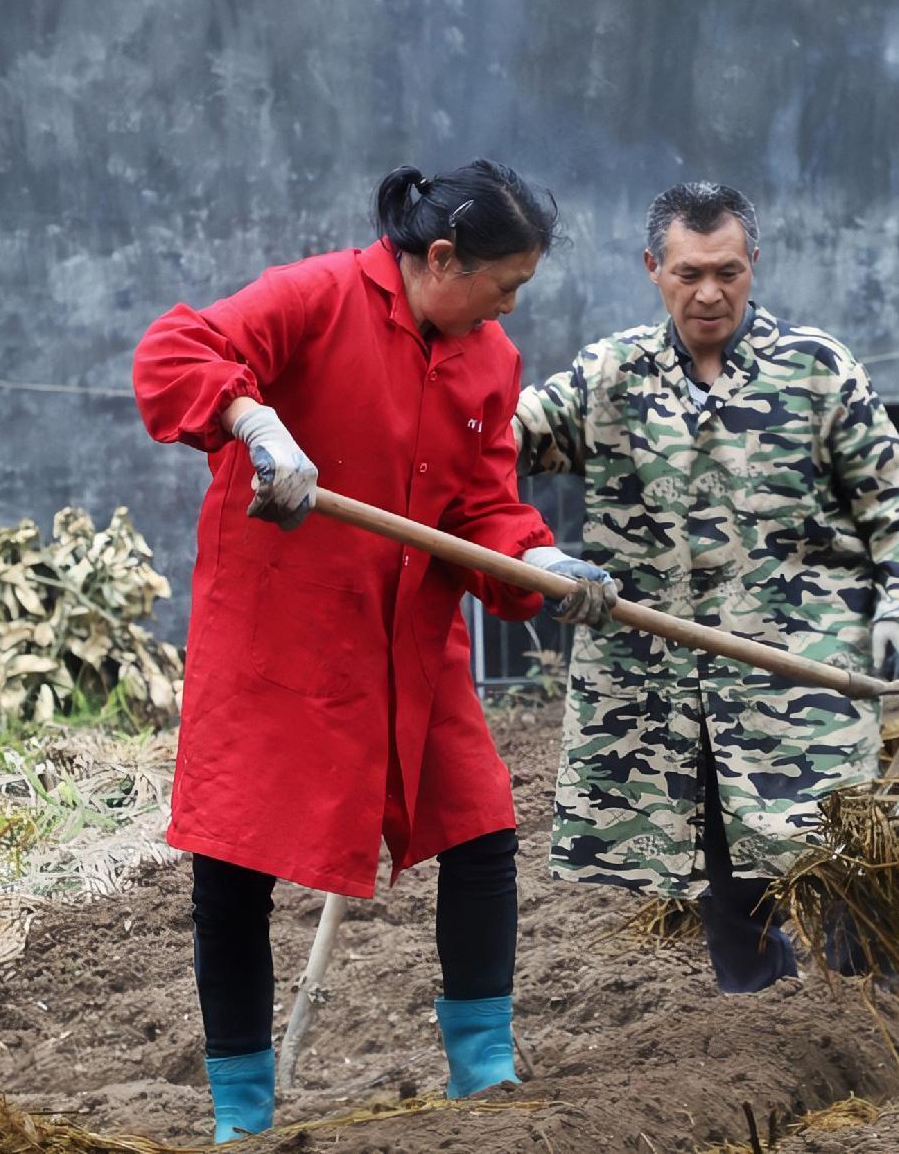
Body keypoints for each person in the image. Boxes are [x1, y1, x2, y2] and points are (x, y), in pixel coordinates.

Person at [131, 162, 617, 1142]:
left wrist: (540, 559)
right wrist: (253, 418)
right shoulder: (314, 299)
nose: (510, 304)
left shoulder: (488, 359)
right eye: (503, 282)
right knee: (234, 866)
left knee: (481, 828)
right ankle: (242, 1110)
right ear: (440, 258)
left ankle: (483, 1065)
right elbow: (175, 349)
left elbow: (483, 506)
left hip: (407, 641)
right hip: (282, 634)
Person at [514, 181, 899, 992]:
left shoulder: (814, 369)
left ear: (754, 266)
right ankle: (760, 1013)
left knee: (840, 838)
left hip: (802, 658)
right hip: (670, 672)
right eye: (688, 273)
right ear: (652, 268)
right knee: (717, 848)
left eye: (728, 271)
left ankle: (884, 1003)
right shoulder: (611, 376)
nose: (709, 292)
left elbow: (892, 495)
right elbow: (496, 445)